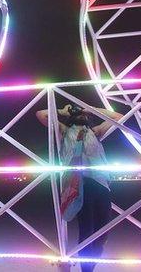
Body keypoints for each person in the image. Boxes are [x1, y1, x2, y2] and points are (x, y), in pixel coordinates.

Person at [37, 102, 121, 272]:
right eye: (77, 112)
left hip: (101, 183)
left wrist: (92, 109)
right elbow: (41, 114)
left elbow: (118, 118)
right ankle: (86, 269)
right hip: (79, 184)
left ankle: (90, 264)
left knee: (102, 231)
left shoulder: (95, 132)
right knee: (87, 229)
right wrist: (61, 110)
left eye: (84, 113)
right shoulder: (63, 131)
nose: (81, 114)